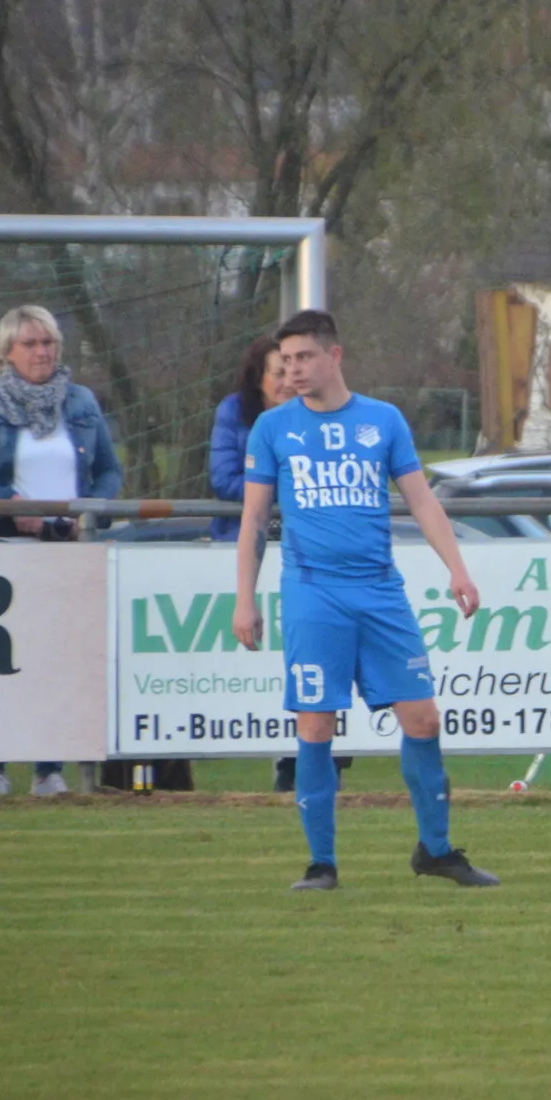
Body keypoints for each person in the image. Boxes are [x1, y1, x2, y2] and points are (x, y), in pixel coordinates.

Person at [231, 310, 495, 892]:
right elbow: (253, 520)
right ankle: (321, 864)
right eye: (286, 361)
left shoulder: (383, 419)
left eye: (304, 357)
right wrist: (244, 599)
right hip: (312, 592)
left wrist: (457, 568)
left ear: (334, 356)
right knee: (316, 724)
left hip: (379, 591)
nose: (293, 370)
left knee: (423, 717)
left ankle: (436, 851)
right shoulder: (273, 429)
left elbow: (422, 501)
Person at [0, 306, 123, 798]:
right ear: (7, 352)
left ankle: (49, 769)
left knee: (57, 660)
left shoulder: (81, 401)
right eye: (30, 343)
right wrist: (9, 503)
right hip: (3, 547)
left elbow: (110, 470)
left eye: (48, 342)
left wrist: (90, 510)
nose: (42, 352)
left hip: (66, 548)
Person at [209, 336, 342, 794]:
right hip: (253, 549)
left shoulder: (323, 414)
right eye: (278, 370)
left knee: (321, 664)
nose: (288, 379)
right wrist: (280, 487)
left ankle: (312, 763)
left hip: (313, 555)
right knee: (268, 667)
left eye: (294, 367)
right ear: (258, 378)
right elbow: (224, 479)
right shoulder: (240, 415)